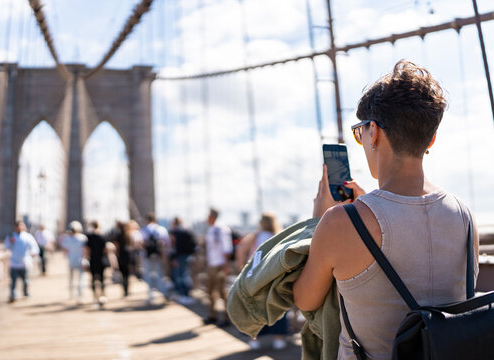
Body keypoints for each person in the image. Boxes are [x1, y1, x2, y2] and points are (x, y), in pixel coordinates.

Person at [293, 60, 479, 360]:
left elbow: (304, 298)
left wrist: (317, 221)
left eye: (360, 132)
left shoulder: (341, 223)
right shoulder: (463, 215)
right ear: (431, 138)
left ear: (374, 132)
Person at [236, 213, 288, 350]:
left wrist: (242, 267)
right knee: (277, 306)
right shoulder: (279, 235)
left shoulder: (255, 236)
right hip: (275, 276)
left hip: (256, 277)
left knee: (255, 308)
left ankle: (254, 339)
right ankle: (278, 338)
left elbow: (241, 249)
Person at [203, 208, 233, 327]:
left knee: (222, 291)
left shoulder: (221, 229)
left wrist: (226, 265)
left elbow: (226, 248)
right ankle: (213, 315)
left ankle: (227, 317)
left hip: (220, 264)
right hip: (212, 264)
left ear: (212, 216)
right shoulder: (211, 229)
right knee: (210, 291)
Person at [4, 221, 39, 303]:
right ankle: (13, 295)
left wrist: (34, 253)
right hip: (14, 263)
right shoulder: (11, 236)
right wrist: (10, 242)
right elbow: (6, 246)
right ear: (15, 227)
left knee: (26, 280)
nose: (19, 228)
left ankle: (25, 293)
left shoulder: (28, 236)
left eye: (21, 226)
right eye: (17, 226)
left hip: (25, 262)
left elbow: (34, 247)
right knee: (13, 281)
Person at [141, 213, 170, 305]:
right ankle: (164, 292)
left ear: (147, 220)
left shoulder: (144, 230)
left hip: (148, 255)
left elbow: (141, 243)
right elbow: (167, 243)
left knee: (148, 275)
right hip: (159, 255)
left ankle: (151, 295)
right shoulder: (161, 229)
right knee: (160, 274)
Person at [169, 217, 197, 305]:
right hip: (187, 255)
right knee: (185, 274)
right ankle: (186, 295)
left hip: (179, 256)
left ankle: (183, 294)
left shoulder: (175, 232)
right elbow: (194, 244)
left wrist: (174, 258)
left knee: (180, 276)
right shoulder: (187, 230)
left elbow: (174, 247)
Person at [61, 221, 88, 302]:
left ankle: (71, 294)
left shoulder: (66, 239)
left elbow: (65, 250)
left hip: (71, 260)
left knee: (71, 278)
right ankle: (79, 295)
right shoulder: (83, 238)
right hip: (80, 260)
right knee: (81, 278)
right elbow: (85, 250)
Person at [85, 220, 108, 305]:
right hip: (101, 260)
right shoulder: (103, 236)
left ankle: (95, 296)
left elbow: (87, 249)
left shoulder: (89, 236)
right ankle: (102, 295)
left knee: (93, 278)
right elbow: (106, 249)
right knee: (102, 278)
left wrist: (86, 259)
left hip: (92, 260)